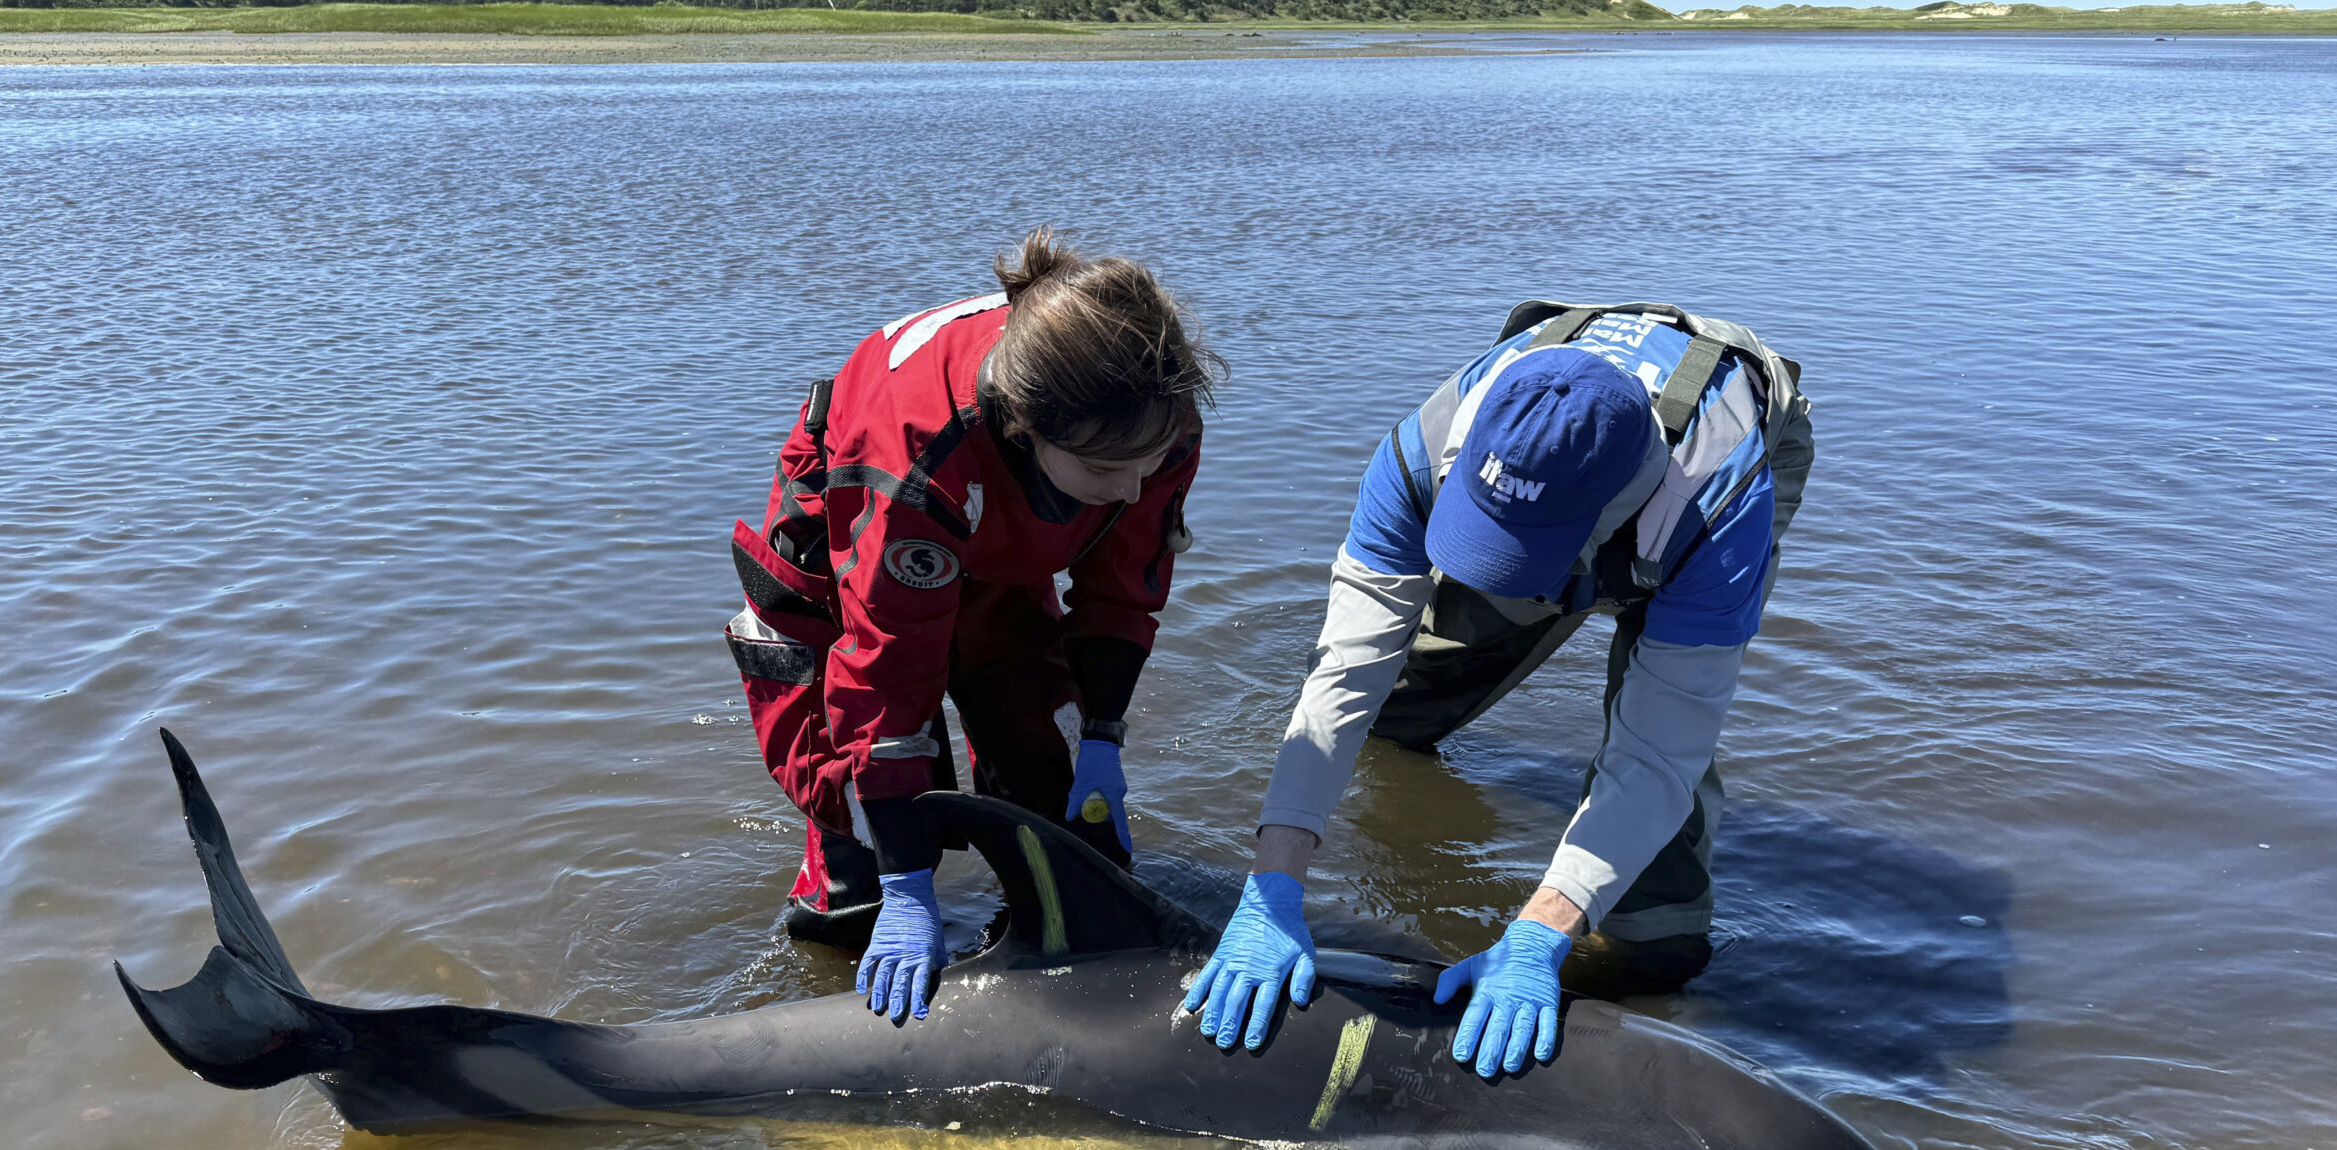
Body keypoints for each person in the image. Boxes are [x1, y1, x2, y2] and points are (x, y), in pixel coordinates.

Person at [1184, 299, 1815, 1077]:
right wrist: (1272, 882)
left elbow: (1657, 754)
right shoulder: (1421, 450)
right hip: (1543, 486)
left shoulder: (1719, 515)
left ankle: (1643, 951)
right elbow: (1344, 675)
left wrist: (1542, 932)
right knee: (1396, 709)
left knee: (1655, 916)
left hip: (1688, 505)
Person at [725, 230, 1218, 1022]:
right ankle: (854, 878)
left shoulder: (1146, 420)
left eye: (1151, 464)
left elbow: (1123, 589)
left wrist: (1104, 731)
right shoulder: (917, 460)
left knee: (1065, 821)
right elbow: (886, 670)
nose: (1132, 491)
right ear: (1027, 425)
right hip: (862, 517)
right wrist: (907, 883)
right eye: (1104, 474)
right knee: (856, 866)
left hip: (1001, 522)